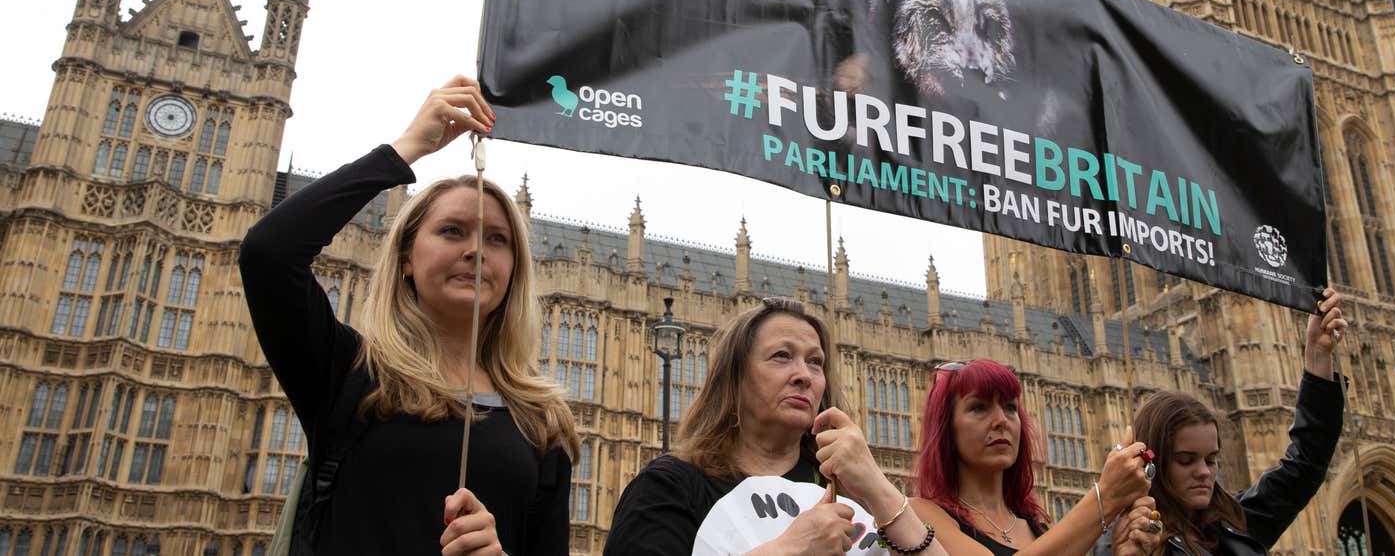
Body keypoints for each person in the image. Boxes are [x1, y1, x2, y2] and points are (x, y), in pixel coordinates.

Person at [240, 76, 578, 555]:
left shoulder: (541, 422)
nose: (476, 250)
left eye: (498, 239)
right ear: (405, 257)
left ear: (515, 271)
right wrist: (407, 150)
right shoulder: (347, 374)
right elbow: (268, 254)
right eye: (452, 231)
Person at [607, 297, 958, 555]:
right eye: (781, 356)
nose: (803, 375)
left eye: (816, 362)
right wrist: (790, 549)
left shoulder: (845, 494)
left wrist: (877, 487)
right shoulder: (670, 486)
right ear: (735, 378)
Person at [1096, 287, 1349, 556]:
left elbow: (1306, 462)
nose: (1204, 472)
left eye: (1211, 460)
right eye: (1185, 460)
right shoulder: (1125, 541)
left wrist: (1318, 355)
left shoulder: (1234, 523)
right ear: (1152, 464)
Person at [911, 359, 1161, 556]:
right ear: (946, 430)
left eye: (1010, 407)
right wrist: (1106, 497)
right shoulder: (919, 517)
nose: (1001, 420)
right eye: (979, 407)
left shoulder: (1039, 525)